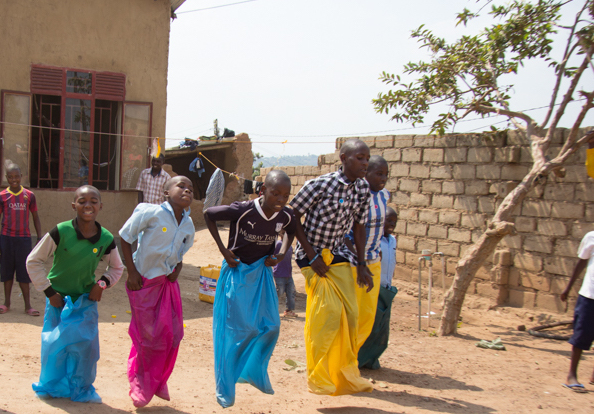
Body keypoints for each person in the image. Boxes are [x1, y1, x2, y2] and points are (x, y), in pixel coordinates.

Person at [204, 170, 297, 408]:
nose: (280, 199)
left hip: (262, 274)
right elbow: (208, 214)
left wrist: (281, 254)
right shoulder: (242, 209)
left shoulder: (284, 215)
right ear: (263, 190)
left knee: (271, 326)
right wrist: (223, 250)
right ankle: (227, 383)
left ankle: (253, 372)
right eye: (275, 193)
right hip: (237, 272)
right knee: (239, 330)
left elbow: (292, 229)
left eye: (285, 195)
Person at [289, 138, 374, 396]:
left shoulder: (362, 189)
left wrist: (361, 263)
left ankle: (345, 374)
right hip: (310, 255)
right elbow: (292, 215)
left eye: (367, 159)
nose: (364, 163)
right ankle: (318, 377)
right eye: (360, 158)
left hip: (337, 254)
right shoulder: (320, 185)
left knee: (350, 315)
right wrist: (312, 254)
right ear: (343, 158)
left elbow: (359, 226)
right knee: (327, 314)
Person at [26, 185, 124, 403]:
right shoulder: (60, 231)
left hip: (84, 301)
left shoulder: (106, 238)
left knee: (85, 347)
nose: (87, 205)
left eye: (93, 201)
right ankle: (52, 385)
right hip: (58, 300)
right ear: (74, 205)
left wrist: (101, 283)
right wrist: (50, 292)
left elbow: (117, 268)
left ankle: (81, 387)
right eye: (82, 201)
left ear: (100, 205)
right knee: (55, 346)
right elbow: (34, 260)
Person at [119, 175, 196, 408]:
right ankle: (141, 384)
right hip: (143, 283)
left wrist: (178, 267)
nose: (187, 190)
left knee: (173, 335)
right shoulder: (150, 212)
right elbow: (125, 237)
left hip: (167, 285)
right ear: (165, 192)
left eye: (191, 188)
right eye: (181, 186)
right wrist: (131, 272)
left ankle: (158, 379)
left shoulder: (188, 225)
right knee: (148, 338)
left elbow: (181, 251)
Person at [344, 155, 389, 355]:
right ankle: (344, 360)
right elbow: (345, 234)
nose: (383, 178)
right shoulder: (355, 196)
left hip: (373, 261)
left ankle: (352, 357)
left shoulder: (384, 195)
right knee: (350, 315)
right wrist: (359, 261)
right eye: (379, 174)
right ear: (365, 174)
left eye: (386, 175)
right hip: (353, 263)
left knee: (367, 316)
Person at [358, 207, 399, 369]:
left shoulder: (393, 241)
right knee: (370, 325)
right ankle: (359, 359)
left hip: (386, 287)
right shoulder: (373, 240)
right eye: (388, 221)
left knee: (381, 328)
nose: (391, 224)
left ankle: (372, 359)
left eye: (394, 222)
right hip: (373, 289)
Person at [0, 164, 42, 316]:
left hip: (23, 239)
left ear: (21, 176)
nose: (14, 180)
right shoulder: (2, 196)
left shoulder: (29, 195)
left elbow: (35, 217)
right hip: (6, 238)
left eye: (16, 176)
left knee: (24, 272)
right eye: (10, 177)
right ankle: (6, 303)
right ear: (7, 178)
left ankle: (28, 306)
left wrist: (39, 237)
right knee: (7, 272)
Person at [560, 231, 594, 393]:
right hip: (589, 295)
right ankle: (571, 375)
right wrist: (568, 287)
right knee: (581, 335)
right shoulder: (591, 237)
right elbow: (581, 263)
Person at [272, 229, 296, 317]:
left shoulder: (290, 246)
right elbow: (273, 255)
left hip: (288, 274)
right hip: (279, 274)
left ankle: (289, 310)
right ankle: (271, 309)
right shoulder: (278, 244)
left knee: (291, 292)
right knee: (279, 292)